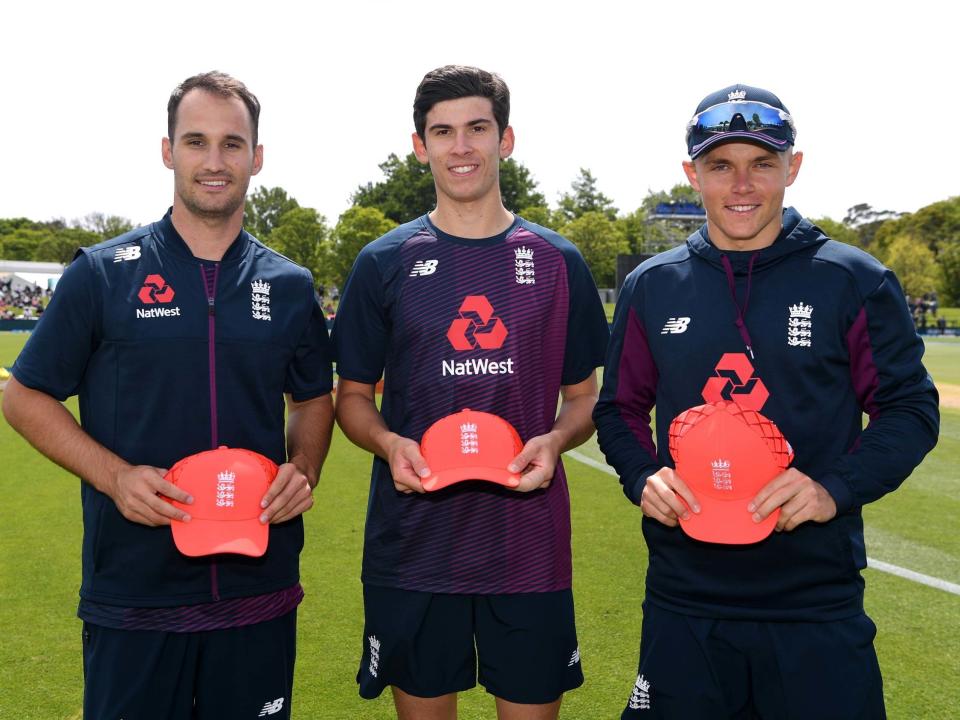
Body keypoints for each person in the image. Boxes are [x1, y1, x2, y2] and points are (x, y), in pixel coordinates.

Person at [593, 84, 940, 719]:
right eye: (721, 165)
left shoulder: (853, 280)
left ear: (793, 167)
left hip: (813, 599)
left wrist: (832, 487)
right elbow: (617, 408)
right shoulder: (651, 286)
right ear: (692, 174)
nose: (742, 185)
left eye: (762, 162)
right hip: (685, 597)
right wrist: (643, 475)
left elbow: (911, 409)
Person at [2, 71, 334, 720]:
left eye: (233, 144)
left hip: (256, 587)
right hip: (135, 593)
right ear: (167, 151)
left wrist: (304, 469)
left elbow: (313, 397)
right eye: (196, 141)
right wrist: (115, 476)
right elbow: (25, 395)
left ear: (257, 158)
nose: (214, 162)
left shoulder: (290, 285)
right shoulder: (101, 273)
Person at [332, 65, 609, 720]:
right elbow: (351, 399)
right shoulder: (382, 262)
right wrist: (390, 443)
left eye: (477, 129)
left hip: (528, 549)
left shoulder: (557, 260)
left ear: (505, 139)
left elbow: (585, 398)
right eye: (443, 132)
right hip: (416, 547)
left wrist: (557, 438)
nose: (461, 147)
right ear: (419, 145)